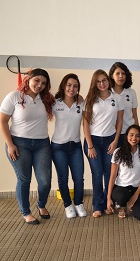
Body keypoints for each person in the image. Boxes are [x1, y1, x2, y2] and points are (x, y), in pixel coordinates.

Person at [0, 68, 55, 224]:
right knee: (24, 179)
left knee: (45, 180)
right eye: (37, 80)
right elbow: (2, 121)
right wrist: (10, 144)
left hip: (42, 144)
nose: (39, 85)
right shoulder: (14, 97)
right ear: (28, 79)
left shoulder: (46, 99)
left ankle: (41, 205)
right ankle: (26, 213)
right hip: (19, 143)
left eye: (44, 83)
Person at [83, 69, 124, 218]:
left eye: (104, 80)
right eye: (98, 81)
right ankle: (97, 206)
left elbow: (119, 122)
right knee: (97, 173)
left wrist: (115, 141)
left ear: (108, 80)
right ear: (95, 83)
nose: (102, 84)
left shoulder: (116, 99)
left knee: (109, 173)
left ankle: (109, 203)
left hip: (110, 141)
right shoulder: (90, 100)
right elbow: (85, 124)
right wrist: (90, 146)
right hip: (93, 141)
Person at [51, 74, 86, 218]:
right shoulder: (55, 103)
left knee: (78, 178)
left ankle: (78, 203)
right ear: (63, 85)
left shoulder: (81, 103)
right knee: (63, 178)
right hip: (58, 147)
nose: (72, 89)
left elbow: (86, 122)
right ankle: (68, 205)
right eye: (69, 85)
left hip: (76, 146)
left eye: (75, 86)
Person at [107, 124, 140, 221]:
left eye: (137, 136)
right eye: (131, 135)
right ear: (126, 136)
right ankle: (122, 207)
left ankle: (131, 203)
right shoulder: (118, 152)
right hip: (121, 188)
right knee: (122, 196)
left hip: (136, 188)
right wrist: (108, 198)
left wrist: (135, 196)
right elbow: (113, 176)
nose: (134, 138)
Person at [109, 62, 139, 147]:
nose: (121, 76)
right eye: (117, 73)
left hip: (129, 134)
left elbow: (135, 115)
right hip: (113, 134)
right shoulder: (108, 93)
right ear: (112, 76)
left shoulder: (131, 92)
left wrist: (137, 134)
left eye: (123, 73)